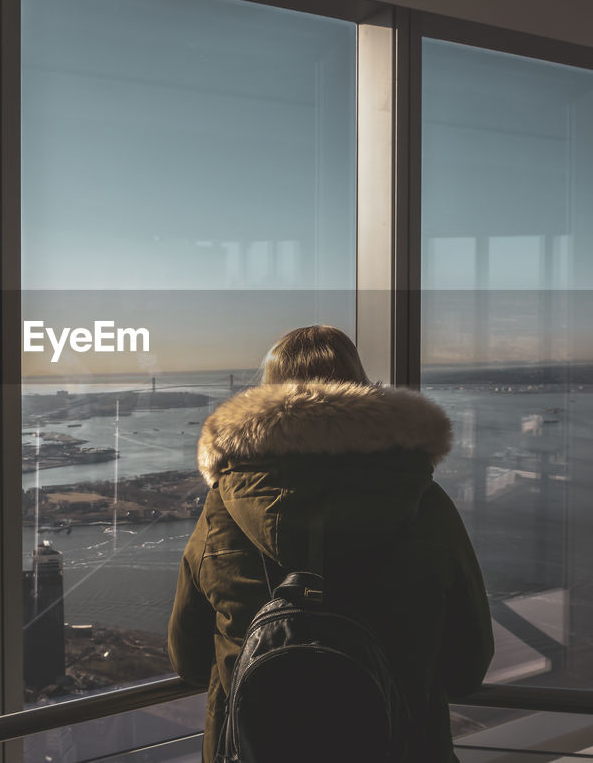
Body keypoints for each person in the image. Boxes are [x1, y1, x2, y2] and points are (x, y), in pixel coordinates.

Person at [168, 325, 493, 762]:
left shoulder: (221, 510)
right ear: (361, 389)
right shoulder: (424, 503)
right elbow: (466, 667)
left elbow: (188, 660)